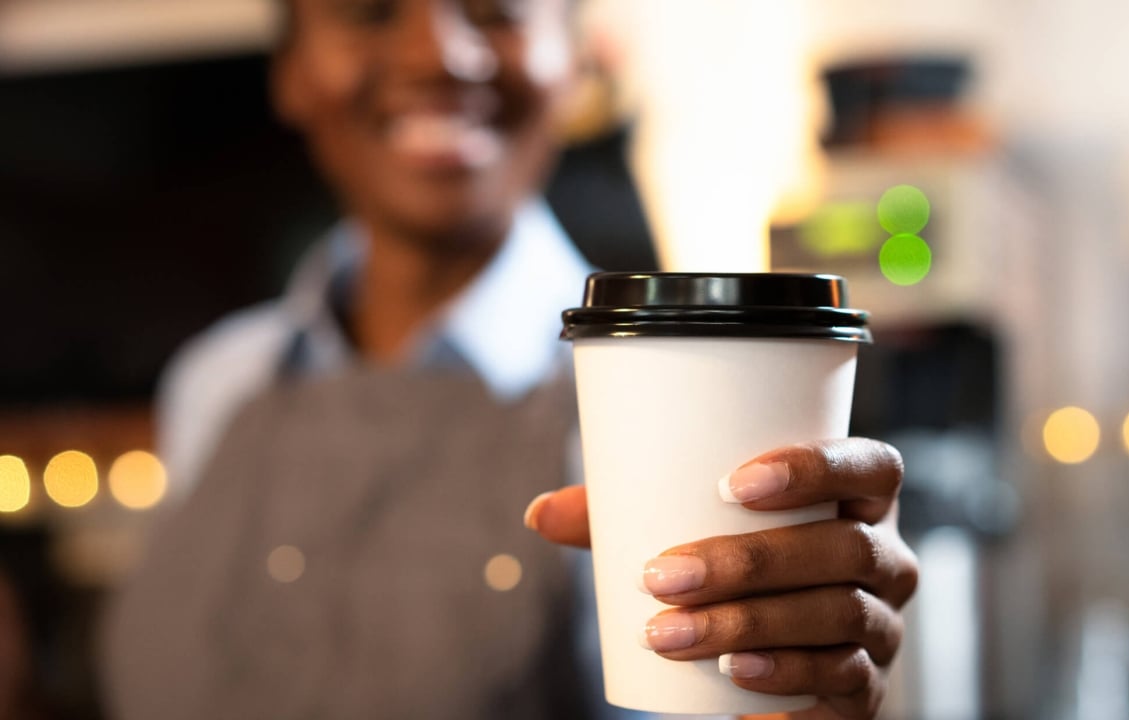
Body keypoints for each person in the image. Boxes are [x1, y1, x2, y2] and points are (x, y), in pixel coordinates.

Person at [104, 1, 919, 718]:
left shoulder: (667, 405)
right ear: (292, 71)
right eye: (369, 11)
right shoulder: (217, 381)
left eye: (496, 8)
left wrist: (797, 689)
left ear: (580, 62)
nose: (441, 55)